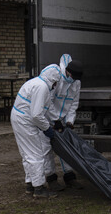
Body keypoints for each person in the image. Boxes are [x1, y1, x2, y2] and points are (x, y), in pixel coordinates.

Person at [11, 64, 63, 198]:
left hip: (20, 118)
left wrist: (56, 119)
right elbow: (36, 115)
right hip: (25, 121)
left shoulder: (37, 82)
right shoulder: (42, 87)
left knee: (27, 154)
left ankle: (30, 185)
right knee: (36, 155)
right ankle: (39, 188)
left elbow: (47, 106)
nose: (55, 86)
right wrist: (47, 129)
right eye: (56, 83)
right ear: (53, 80)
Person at [42, 54, 85, 190]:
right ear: (67, 71)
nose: (73, 80)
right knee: (47, 148)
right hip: (48, 119)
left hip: (63, 119)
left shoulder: (76, 82)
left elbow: (74, 103)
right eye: (72, 76)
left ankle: (70, 177)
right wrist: (55, 120)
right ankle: (51, 178)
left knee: (67, 148)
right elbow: (48, 101)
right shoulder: (56, 79)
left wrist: (70, 121)